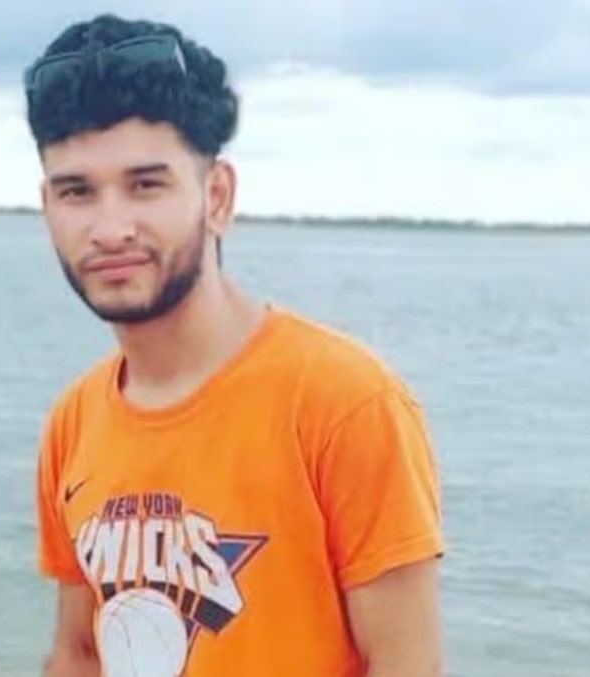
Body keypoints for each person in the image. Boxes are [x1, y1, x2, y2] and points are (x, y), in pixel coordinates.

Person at [23, 13, 445, 677]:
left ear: (216, 196)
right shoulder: (74, 421)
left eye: (145, 184)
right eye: (77, 191)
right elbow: (79, 650)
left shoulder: (344, 402)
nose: (109, 228)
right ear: (48, 207)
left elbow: (405, 662)